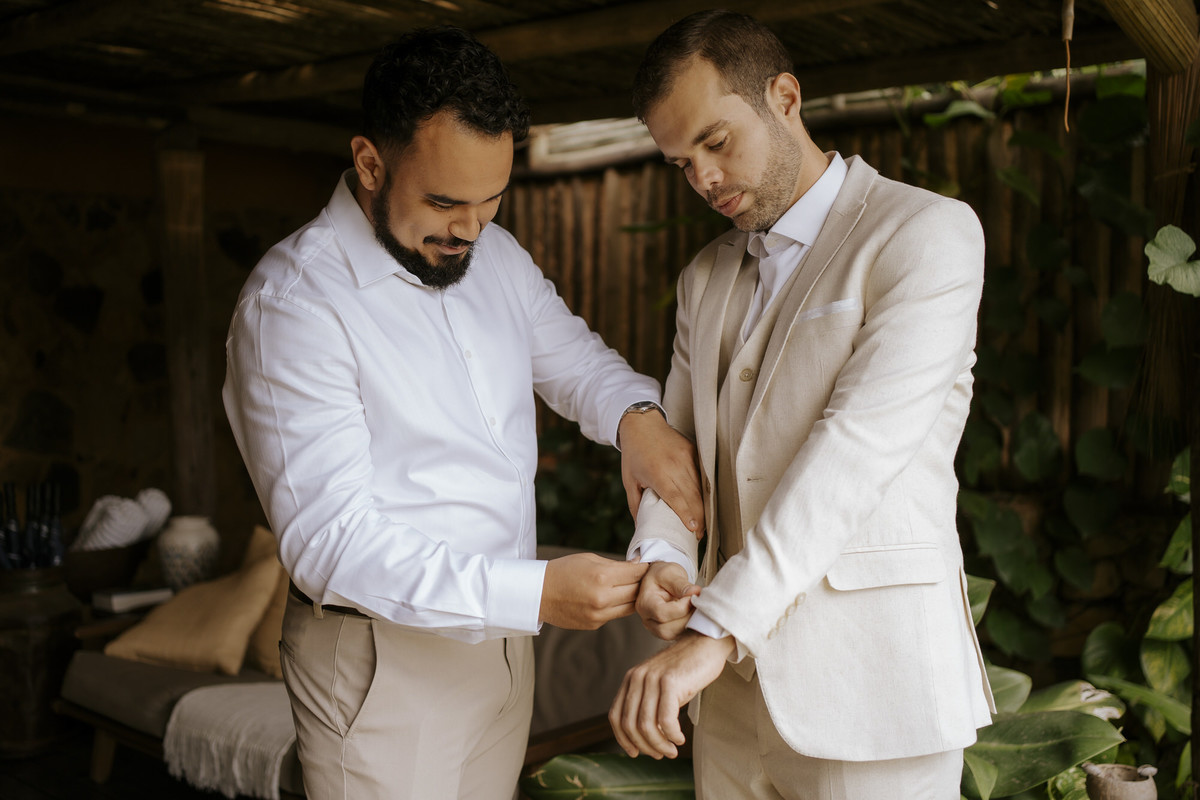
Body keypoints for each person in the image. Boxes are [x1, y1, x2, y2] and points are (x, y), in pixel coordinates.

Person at [222, 26, 704, 800]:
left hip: (503, 653)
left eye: (491, 200)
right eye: (446, 201)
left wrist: (637, 419)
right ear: (370, 163)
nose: (470, 230)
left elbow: (579, 365)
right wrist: (537, 593)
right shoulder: (295, 306)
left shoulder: (495, 256)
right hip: (380, 664)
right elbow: (328, 542)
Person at [609, 10, 995, 800]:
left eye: (716, 143)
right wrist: (664, 560)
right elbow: (679, 453)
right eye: (682, 163)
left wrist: (717, 631)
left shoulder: (925, 234)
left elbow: (855, 453)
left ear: (784, 96)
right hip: (727, 709)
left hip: (873, 691)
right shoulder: (703, 277)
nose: (705, 180)